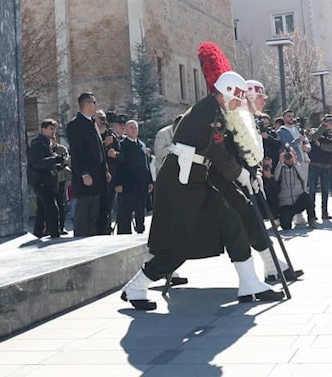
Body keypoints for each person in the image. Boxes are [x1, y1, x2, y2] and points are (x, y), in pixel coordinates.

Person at [119, 46, 278, 310]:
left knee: (232, 219)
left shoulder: (216, 112)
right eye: (236, 100)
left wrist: (249, 172)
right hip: (180, 183)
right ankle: (136, 286)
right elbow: (217, 153)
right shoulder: (210, 115)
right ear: (225, 94)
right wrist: (241, 175)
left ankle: (249, 283)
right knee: (178, 244)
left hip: (196, 180)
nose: (239, 105)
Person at [65, 93, 108, 237]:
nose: (96, 106)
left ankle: (92, 240)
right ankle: (81, 242)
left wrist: (105, 169)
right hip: (86, 177)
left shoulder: (92, 123)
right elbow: (76, 152)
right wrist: (84, 173)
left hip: (98, 176)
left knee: (94, 215)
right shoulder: (75, 125)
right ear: (87, 104)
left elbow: (100, 149)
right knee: (84, 214)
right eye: (94, 102)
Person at [28, 120, 65, 237]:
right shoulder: (38, 144)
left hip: (47, 181)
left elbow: (47, 165)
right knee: (52, 209)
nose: (53, 131)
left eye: (54, 129)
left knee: (42, 210)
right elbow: (37, 163)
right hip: (42, 182)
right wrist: (55, 159)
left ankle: (38, 233)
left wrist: (60, 164)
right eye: (50, 128)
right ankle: (54, 233)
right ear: (43, 129)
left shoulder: (46, 143)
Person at [114, 121, 152, 234]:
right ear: (125, 130)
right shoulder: (121, 145)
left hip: (141, 184)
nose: (134, 130)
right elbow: (118, 166)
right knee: (126, 212)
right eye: (131, 128)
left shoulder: (142, 145)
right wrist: (118, 183)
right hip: (127, 184)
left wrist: (150, 181)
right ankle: (125, 234)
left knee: (140, 211)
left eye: (136, 128)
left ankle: (140, 231)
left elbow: (146, 165)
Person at [270, 146, 316, 229]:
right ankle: (286, 219)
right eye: (286, 155)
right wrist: (280, 163)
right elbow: (276, 178)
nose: (288, 158)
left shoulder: (297, 166)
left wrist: (295, 163)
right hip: (285, 204)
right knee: (286, 227)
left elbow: (303, 177)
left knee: (307, 196)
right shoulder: (280, 167)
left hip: (298, 200)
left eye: (290, 155)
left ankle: (311, 220)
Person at [307, 115, 332, 221]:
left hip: (326, 166)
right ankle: (312, 214)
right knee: (312, 190)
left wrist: (320, 145)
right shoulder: (315, 131)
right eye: (326, 121)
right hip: (314, 165)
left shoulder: (331, 136)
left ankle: (324, 212)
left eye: (330, 122)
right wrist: (322, 127)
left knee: (325, 190)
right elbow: (314, 137)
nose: (329, 124)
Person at [51, 130, 71, 235]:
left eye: (53, 139)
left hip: (60, 180)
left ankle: (61, 227)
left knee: (60, 204)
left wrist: (60, 164)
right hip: (49, 181)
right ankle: (50, 227)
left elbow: (66, 160)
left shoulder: (61, 149)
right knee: (50, 204)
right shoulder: (46, 149)